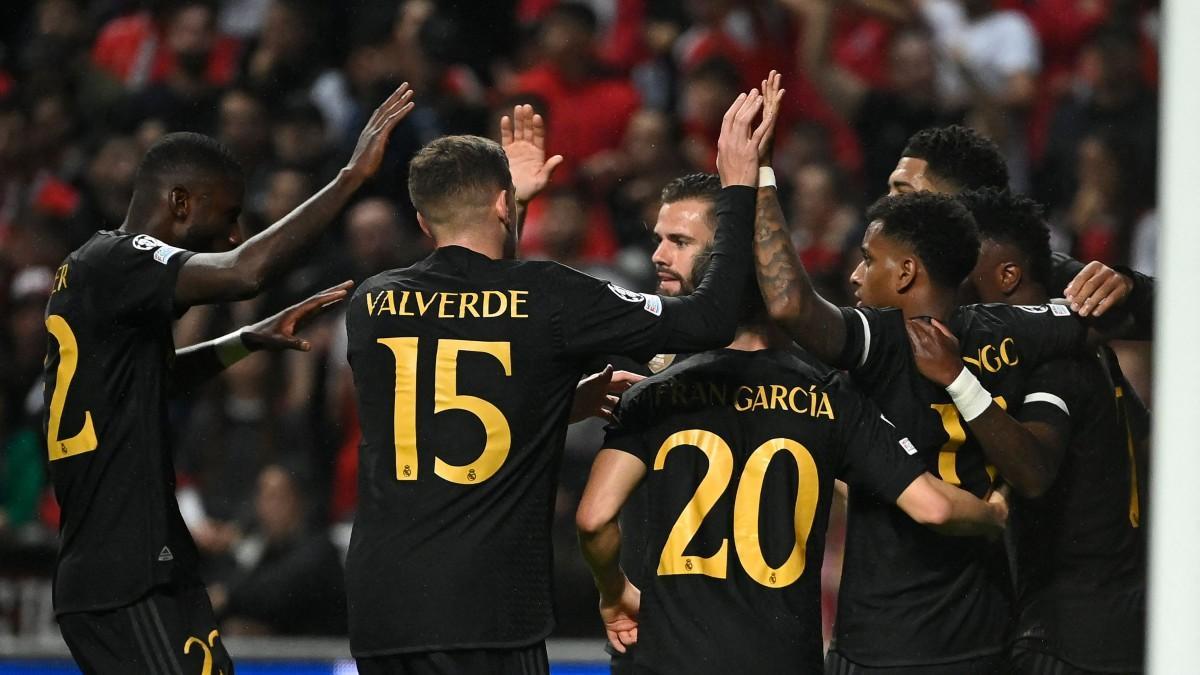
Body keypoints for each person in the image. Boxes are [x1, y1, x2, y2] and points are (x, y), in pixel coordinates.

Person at [344, 91, 771, 674]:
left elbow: (454, 382)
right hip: (488, 612)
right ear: (503, 205)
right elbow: (711, 319)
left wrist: (558, 404)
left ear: (421, 220)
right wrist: (741, 185)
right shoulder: (552, 296)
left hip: (381, 610)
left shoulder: (374, 302)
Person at [43, 84, 415, 674]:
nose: (236, 234)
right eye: (229, 215)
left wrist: (243, 340)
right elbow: (247, 271)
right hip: (125, 570)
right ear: (182, 202)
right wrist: (349, 178)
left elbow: (150, 381)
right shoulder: (125, 258)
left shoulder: (95, 270)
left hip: (134, 565)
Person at [574, 254, 1007, 674]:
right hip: (782, 658)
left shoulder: (652, 395)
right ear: (784, 305)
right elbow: (933, 507)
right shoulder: (830, 398)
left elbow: (594, 519)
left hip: (671, 657)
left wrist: (614, 593)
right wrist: (994, 513)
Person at [752, 178, 1095, 670]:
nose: (855, 276)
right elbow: (1096, 322)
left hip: (884, 641)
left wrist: (760, 178)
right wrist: (1120, 285)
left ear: (907, 272)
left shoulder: (883, 341)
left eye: (869, 259)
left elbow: (790, 306)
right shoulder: (1013, 330)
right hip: (983, 636)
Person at [949, 188, 1146, 674]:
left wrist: (956, 381)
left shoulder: (1050, 363)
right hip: (1121, 615)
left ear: (1008, 273)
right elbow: (1142, 436)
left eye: (962, 260)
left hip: (1065, 637)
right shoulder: (1094, 347)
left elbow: (1034, 469)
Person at [887, 124, 1154, 331]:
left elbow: (1174, 312)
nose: (888, 204)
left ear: (962, 207)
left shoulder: (1036, 271)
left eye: (904, 193)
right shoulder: (878, 271)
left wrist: (1130, 287)